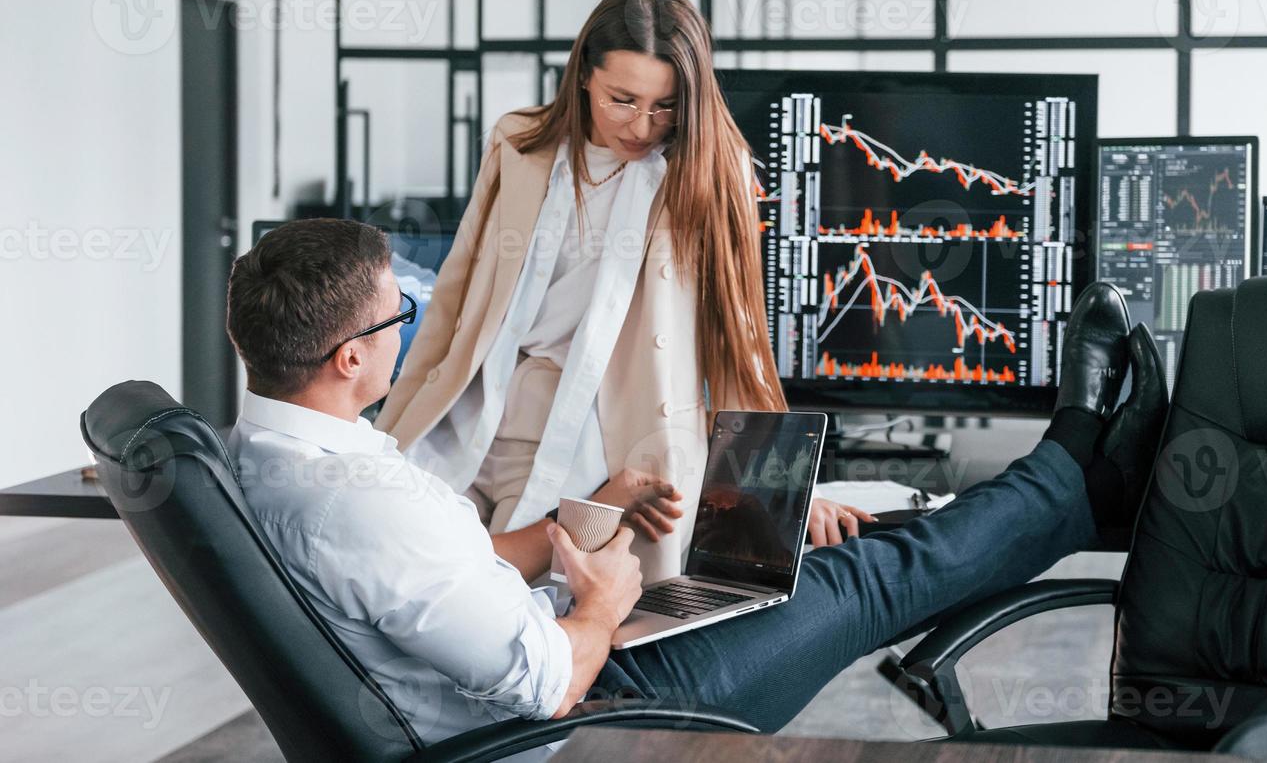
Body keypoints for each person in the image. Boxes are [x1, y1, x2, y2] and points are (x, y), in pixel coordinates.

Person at [223, 218, 1167, 751]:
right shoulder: (361, 507)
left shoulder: (279, 456)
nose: (412, 328)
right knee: (865, 576)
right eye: (402, 315)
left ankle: (1081, 477)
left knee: (790, 532)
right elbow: (547, 681)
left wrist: (595, 505)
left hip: (566, 653)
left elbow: (467, 564)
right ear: (351, 356)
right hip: (588, 716)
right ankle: (1080, 463)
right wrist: (603, 598)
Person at [373, 0, 868, 580]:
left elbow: (738, 343)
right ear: (584, 74)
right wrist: (392, 428)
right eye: (622, 99)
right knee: (405, 579)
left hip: (605, 442)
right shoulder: (519, 143)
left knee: (539, 607)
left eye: (665, 106)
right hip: (477, 410)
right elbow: (455, 300)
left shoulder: (712, 171)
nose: (641, 125)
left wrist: (786, 489)